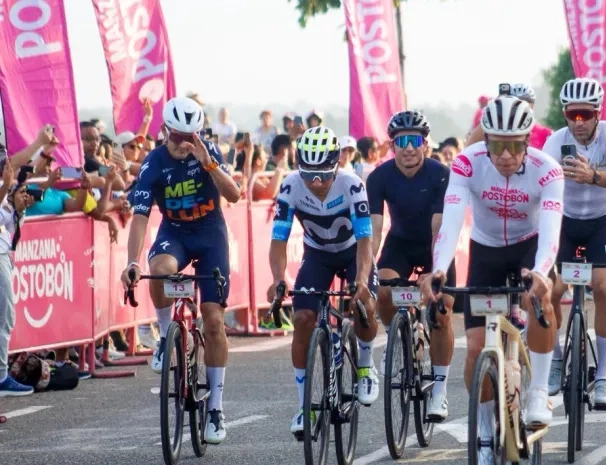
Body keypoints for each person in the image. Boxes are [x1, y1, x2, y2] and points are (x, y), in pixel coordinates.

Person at [420, 96, 563, 465]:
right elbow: (451, 222)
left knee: (543, 303)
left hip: (528, 248)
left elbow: (551, 233)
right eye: (496, 145)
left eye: (514, 146)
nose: (504, 155)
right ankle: (484, 436)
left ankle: (538, 394)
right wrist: (439, 269)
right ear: (485, 142)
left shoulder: (547, 171)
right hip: (486, 251)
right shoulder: (468, 163)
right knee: (476, 349)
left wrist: (542, 272)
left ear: (528, 142)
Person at [120, 96, 241, 444]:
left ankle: (215, 407)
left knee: (214, 320)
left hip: (210, 235)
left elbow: (233, 196)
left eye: (190, 137)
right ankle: (163, 337)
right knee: (157, 270)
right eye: (177, 136)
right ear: (165, 131)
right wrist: (132, 261)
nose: (183, 144)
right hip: (175, 234)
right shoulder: (153, 164)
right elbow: (140, 218)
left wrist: (210, 165)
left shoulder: (207, 154)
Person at [266, 126, 379, 435]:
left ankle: (366, 367)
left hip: (352, 252)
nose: (316, 183)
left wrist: (363, 279)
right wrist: (278, 278)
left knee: (363, 304)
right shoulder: (290, 186)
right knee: (302, 318)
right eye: (309, 175)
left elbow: (366, 241)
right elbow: (278, 241)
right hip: (317, 255)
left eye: (323, 176)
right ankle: (305, 409)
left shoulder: (351, 184)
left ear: (335, 166)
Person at [541, 77, 606, 408]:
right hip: (563, 222)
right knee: (547, 291)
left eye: (586, 115)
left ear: (598, 113)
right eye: (572, 114)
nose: (578, 122)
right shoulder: (555, 141)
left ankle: (604, 374)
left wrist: (591, 175)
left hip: (600, 223)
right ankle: (553, 357)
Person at [367, 110, 455, 420]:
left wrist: (435, 272)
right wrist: (368, 269)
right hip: (400, 244)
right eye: (401, 141)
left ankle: (440, 391)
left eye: (414, 140)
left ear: (425, 144)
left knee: (442, 311)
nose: (408, 148)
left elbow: (438, 229)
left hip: (435, 246)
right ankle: (399, 335)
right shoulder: (378, 177)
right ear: (392, 146)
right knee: (383, 292)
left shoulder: (441, 175)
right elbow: (375, 231)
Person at [0, 161, 36, 396]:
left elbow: (9, 226)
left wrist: (19, 209)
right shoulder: (4, 188)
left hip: (4, 253)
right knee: (5, 316)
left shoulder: (5, 191)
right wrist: (5, 188)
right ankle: (1, 376)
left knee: (5, 317)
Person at [466, 83, 552, 149]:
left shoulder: (545, 133)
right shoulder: (496, 129)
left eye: (523, 105)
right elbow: (469, 149)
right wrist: (494, 111)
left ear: (532, 107)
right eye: (515, 105)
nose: (519, 109)